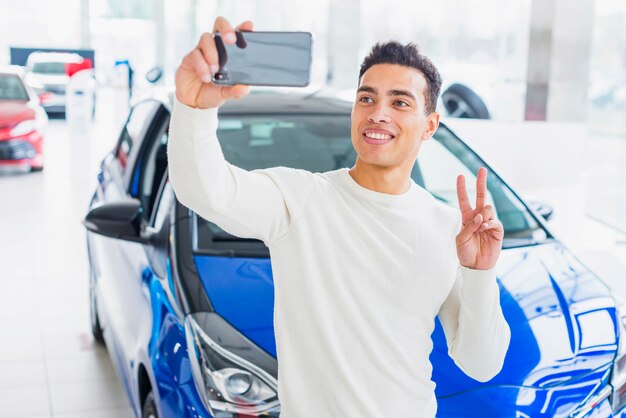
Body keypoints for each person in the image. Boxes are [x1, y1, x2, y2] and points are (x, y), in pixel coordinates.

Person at [168, 16, 511, 418]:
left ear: (429, 125)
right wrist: (192, 106)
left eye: (400, 102)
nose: (378, 113)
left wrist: (481, 273)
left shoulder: (450, 229)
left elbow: (481, 363)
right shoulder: (301, 199)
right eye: (366, 98)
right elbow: (206, 191)